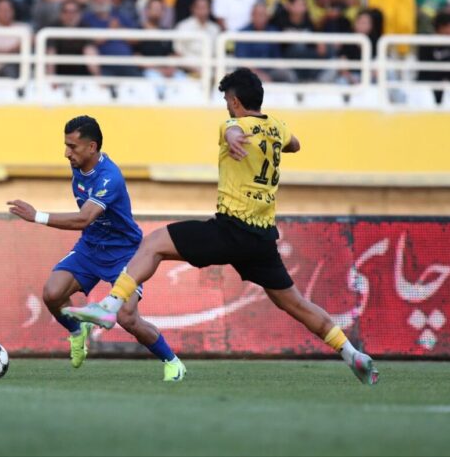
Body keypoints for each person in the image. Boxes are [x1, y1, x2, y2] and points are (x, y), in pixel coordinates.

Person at [63, 69, 379, 386]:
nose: (227, 106)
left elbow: (232, 129)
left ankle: (110, 306)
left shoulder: (232, 125)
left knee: (154, 243)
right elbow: (295, 144)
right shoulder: (277, 127)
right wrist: (270, 142)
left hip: (232, 229)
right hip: (262, 239)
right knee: (295, 303)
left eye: (227, 100)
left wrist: (233, 135)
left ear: (235, 101)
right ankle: (351, 353)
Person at [7, 116, 186, 382]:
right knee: (52, 293)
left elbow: (84, 218)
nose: (66, 153)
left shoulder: (109, 177)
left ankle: (172, 362)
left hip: (124, 253)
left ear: (92, 147)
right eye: (66, 145)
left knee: (126, 317)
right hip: (90, 247)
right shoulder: (79, 166)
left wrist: (37, 216)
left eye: (72, 147)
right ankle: (77, 332)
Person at [235, 2, 297, 83]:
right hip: (249, 73)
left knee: (289, 75)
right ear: (252, 16)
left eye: (263, 15)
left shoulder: (273, 31)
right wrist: (259, 74)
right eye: (258, 15)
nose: (261, 18)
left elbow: (276, 57)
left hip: (270, 70)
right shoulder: (243, 33)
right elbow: (243, 62)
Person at [47, 0, 101, 77]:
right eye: (66, 11)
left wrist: (98, 78)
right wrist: (52, 79)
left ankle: (98, 80)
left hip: (82, 75)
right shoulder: (53, 28)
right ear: (61, 14)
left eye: (74, 12)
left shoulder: (85, 28)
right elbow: (51, 52)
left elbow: (90, 50)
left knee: (90, 50)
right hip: (59, 74)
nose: (70, 15)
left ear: (80, 14)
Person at [418, 11, 450, 104]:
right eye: (448, 26)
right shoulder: (427, 44)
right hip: (428, 85)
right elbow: (424, 70)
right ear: (440, 27)